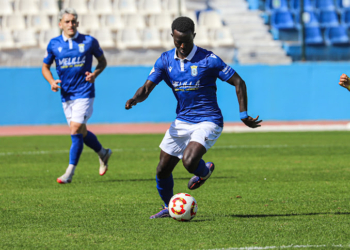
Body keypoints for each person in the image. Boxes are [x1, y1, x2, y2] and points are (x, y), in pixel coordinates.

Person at [125, 16, 262, 219]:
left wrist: (243, 114)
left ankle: (204, 172)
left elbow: (239, 82)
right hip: (182, 121)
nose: (181, 45)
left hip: (208, 120)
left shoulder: (209, 59)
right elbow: (147, 87)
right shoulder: (164, 60)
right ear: (172, 36)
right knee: (162, 169)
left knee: (189, 162)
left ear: (194, 36)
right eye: (177, 41)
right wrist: (135, 99)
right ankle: (168, 206)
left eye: (186, 42)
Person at [42, 8, 112, 184]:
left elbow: (102, 62)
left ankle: (69, 173)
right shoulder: (54, 44)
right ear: (60, 24)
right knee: (80, 131)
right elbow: (45, 67)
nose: (70, 24)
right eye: (67, 21)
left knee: (74, 130)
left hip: (85, 92)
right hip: (66, 95)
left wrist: (95, 74)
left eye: (73, 21)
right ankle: (103, 153)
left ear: (77, 23)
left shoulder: (89, 41)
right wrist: (51, 81)